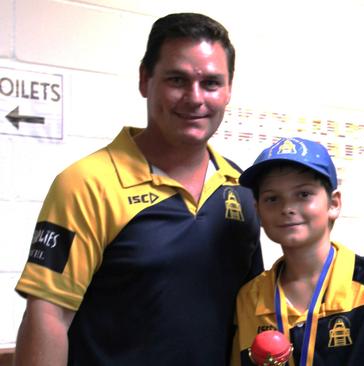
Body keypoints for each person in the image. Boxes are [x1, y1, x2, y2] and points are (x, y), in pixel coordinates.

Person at [13, 12, 263, 365]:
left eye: (211, 83)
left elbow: (253, 307)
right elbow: (48, 317)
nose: (195, 98)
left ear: (228, 90)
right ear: (145, 80)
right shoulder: (87, 184)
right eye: (177, 80)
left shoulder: (242, 188)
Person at [231, 137, 364, 365]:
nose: (287, 208)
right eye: (272, 198)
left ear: (334, 204)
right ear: (258, 211)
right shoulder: (251, 297)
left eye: (303, 194)